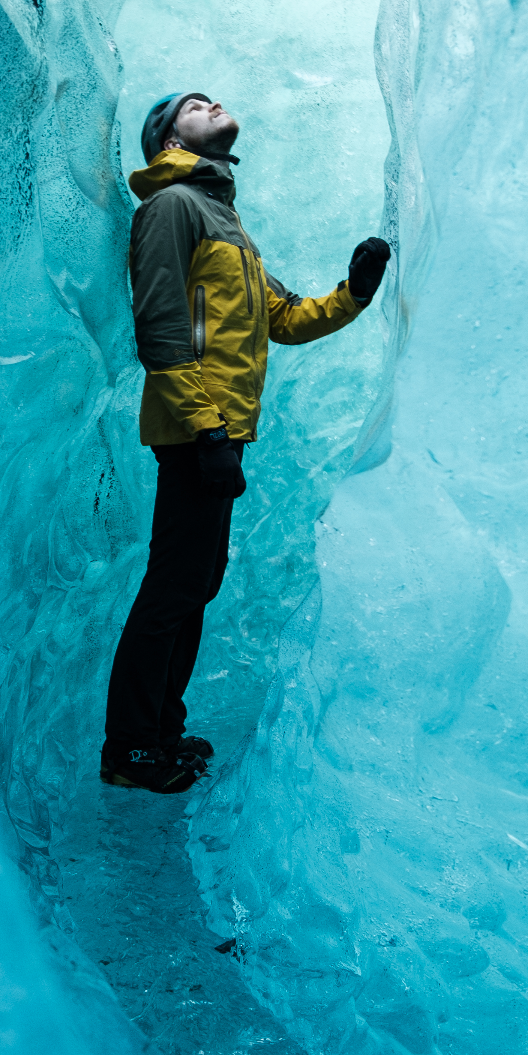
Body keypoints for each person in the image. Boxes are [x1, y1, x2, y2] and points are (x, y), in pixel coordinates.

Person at [100, 92, 391, 792]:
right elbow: (161, 325)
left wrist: (353, 293)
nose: (212, 102)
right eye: (192, 105)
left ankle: (160, 730)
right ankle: (133, 748)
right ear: (168, 138)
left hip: (219, 431)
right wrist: (205, 430)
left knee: (196, 583)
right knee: (173, 588)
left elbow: (283, 317)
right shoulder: (171, 207)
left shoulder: (223, 221)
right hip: (198, 429)